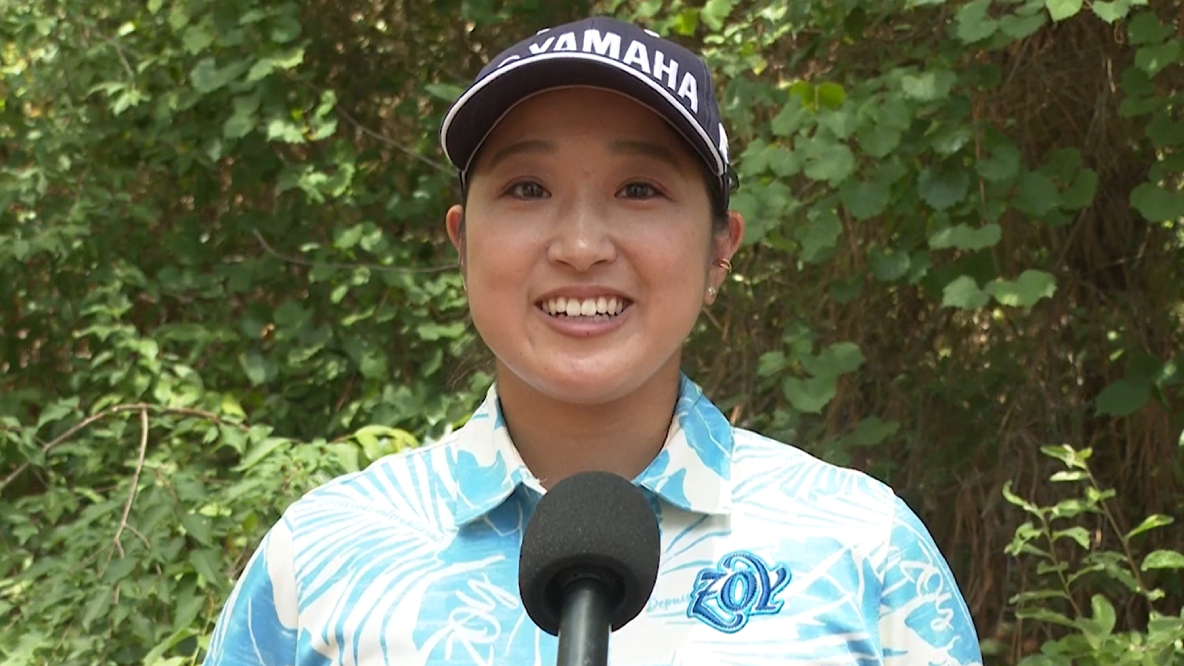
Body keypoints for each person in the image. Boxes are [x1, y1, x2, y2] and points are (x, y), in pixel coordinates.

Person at [202, 16, 984, 666]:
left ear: (720, 250)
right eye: (527, 189)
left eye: (639, 189)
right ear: (462, 241)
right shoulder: (319, 562)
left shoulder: (864, 554)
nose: (580, 246)